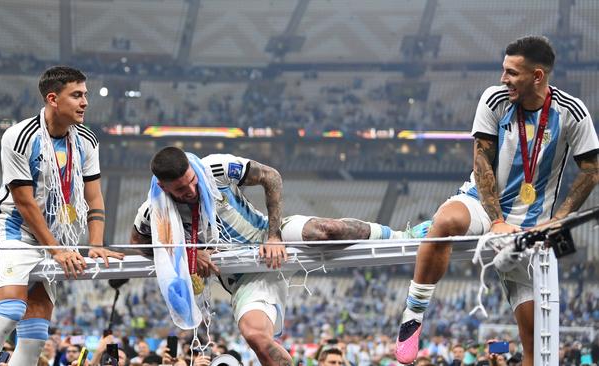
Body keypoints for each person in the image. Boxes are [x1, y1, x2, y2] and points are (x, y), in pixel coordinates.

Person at [395, 35, 599, 365]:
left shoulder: (572, 112)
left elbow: (591, 170)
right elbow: (481, 161)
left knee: (534, 339)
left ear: (537, 76)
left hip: (533, 226)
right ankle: (413, 315)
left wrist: (559, 219)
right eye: (503, 70)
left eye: (511, 73)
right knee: (445, 222)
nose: (503, 79)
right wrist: (497, 221)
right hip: (484, 204)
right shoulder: (495, 99)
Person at [131, 147, 430, 366]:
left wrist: (274, 235)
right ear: (162, 187)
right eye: (181, 190)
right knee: (255, 336)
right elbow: (140, 245)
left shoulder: (216, 169)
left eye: (191, 181)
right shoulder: (152, 212)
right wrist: (190, 260)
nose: (191, 190)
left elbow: (271, 177)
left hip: (267, 236)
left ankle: (404, 236)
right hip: (242, 274)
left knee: (325, 229)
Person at [0, 66, 125, 365]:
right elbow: (25, 203)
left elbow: (93, 196)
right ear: (53, 99)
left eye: (86, 95)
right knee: (11, 311)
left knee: (36, 331)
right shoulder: (19, 136)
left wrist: (95, 242)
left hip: (51, 239)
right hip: (13, 230)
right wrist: (57, 250)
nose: (85, 103)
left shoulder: (87, 141)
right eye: (77, 95)